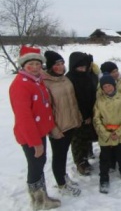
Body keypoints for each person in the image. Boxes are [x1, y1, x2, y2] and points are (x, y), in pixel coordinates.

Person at [9, 45, 61, 210]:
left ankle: (42, 196)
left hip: (40, 132)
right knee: (35, 165)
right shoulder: (20, 85)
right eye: (31, 64)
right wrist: (35, 142)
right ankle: (38, 201)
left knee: (40, 163)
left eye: (38, 64)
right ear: (24, 65)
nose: (35, 67)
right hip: (31, 136)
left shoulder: (37, 81)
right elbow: (24, 118)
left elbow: (44, 107)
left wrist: (50, 128)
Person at [43, 50, 82, 197]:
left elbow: (73, 101)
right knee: (58, 155)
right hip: (58, 127)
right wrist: (53, 129)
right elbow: (47, 109)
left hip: (70, 123)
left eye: (61, 63)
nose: (60, 66)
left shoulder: (65, 79)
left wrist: (77, 117)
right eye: (56, 64)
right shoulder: (46, 83)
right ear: (50, 66)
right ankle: (61, 184)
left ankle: (64, 177)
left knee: (64, 154)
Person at [93, 74, 121, 194]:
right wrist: (105, 133)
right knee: (105, 158)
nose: (108, 88)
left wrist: (119, 131)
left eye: (109, 85)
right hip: (105, 134)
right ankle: (104, 178)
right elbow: (96, 119)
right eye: (104, 87)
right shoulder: (99, 101)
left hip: (120, 133)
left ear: (114, 85)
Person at [66, 52, 97, 176]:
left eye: (84, 67)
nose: (82, 69)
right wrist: (83, 116)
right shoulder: (69, 79)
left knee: (88, 135)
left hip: (91, 111)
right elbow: (73, 100)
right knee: (78, 139)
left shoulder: (88, 76)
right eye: (80, 67)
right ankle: (81, 162)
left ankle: (88, 153)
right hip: (77, 114)